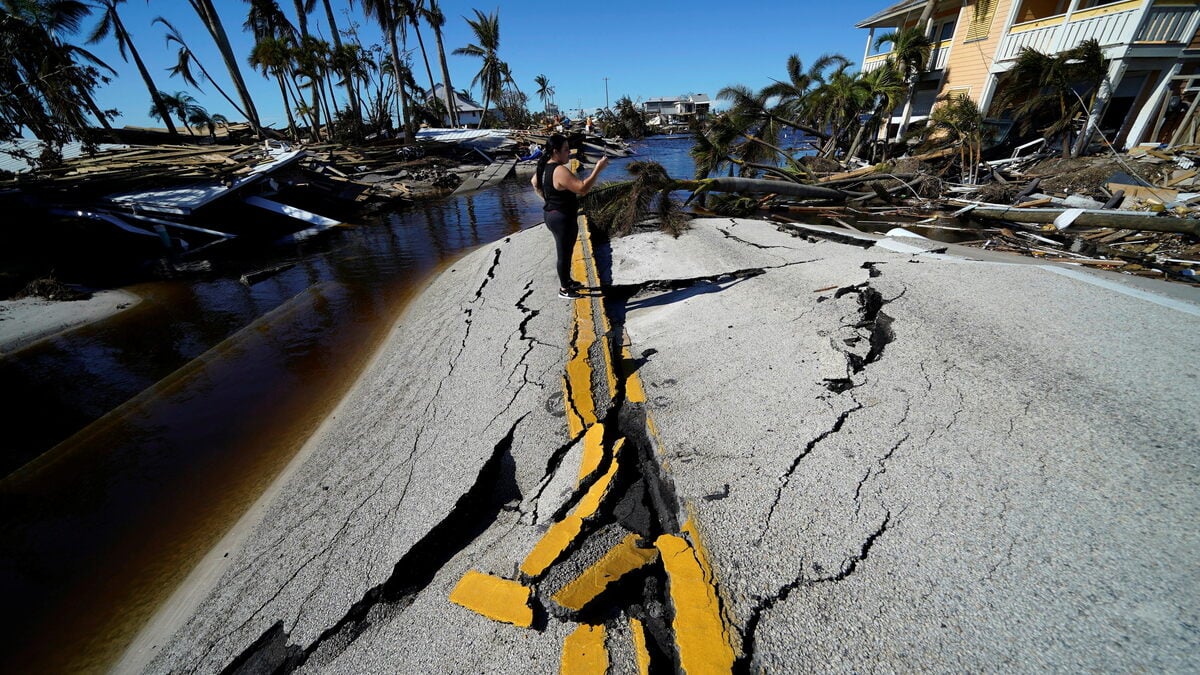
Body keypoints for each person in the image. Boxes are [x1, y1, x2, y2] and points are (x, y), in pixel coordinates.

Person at [531, 134, 609, 298]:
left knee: (566, 251)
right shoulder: (559, 170)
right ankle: (564, 289)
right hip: (561, 218)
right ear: (555, 151)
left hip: (552, 214)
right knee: (564, 254)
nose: (569, 153)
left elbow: (534, 183)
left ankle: (567, 281)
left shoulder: (545, 165)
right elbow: (581, 188)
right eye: (566, 150)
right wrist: (598, 169)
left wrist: (548, 199)